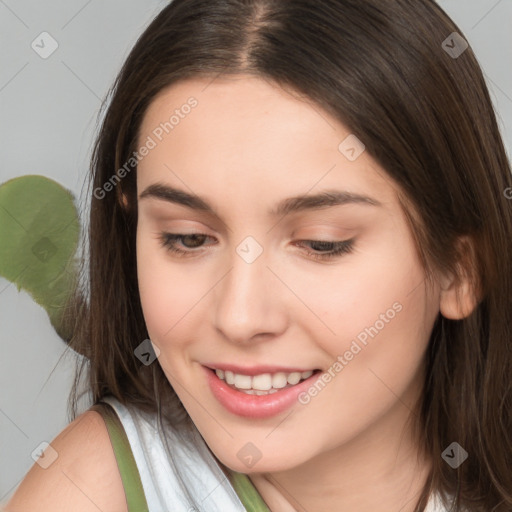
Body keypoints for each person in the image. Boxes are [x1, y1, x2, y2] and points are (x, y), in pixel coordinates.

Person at [4, 0, 512, 510]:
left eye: (321, 244)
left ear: (461, 270)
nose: (240, 317)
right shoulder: (83, 494)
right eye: (188, 238)